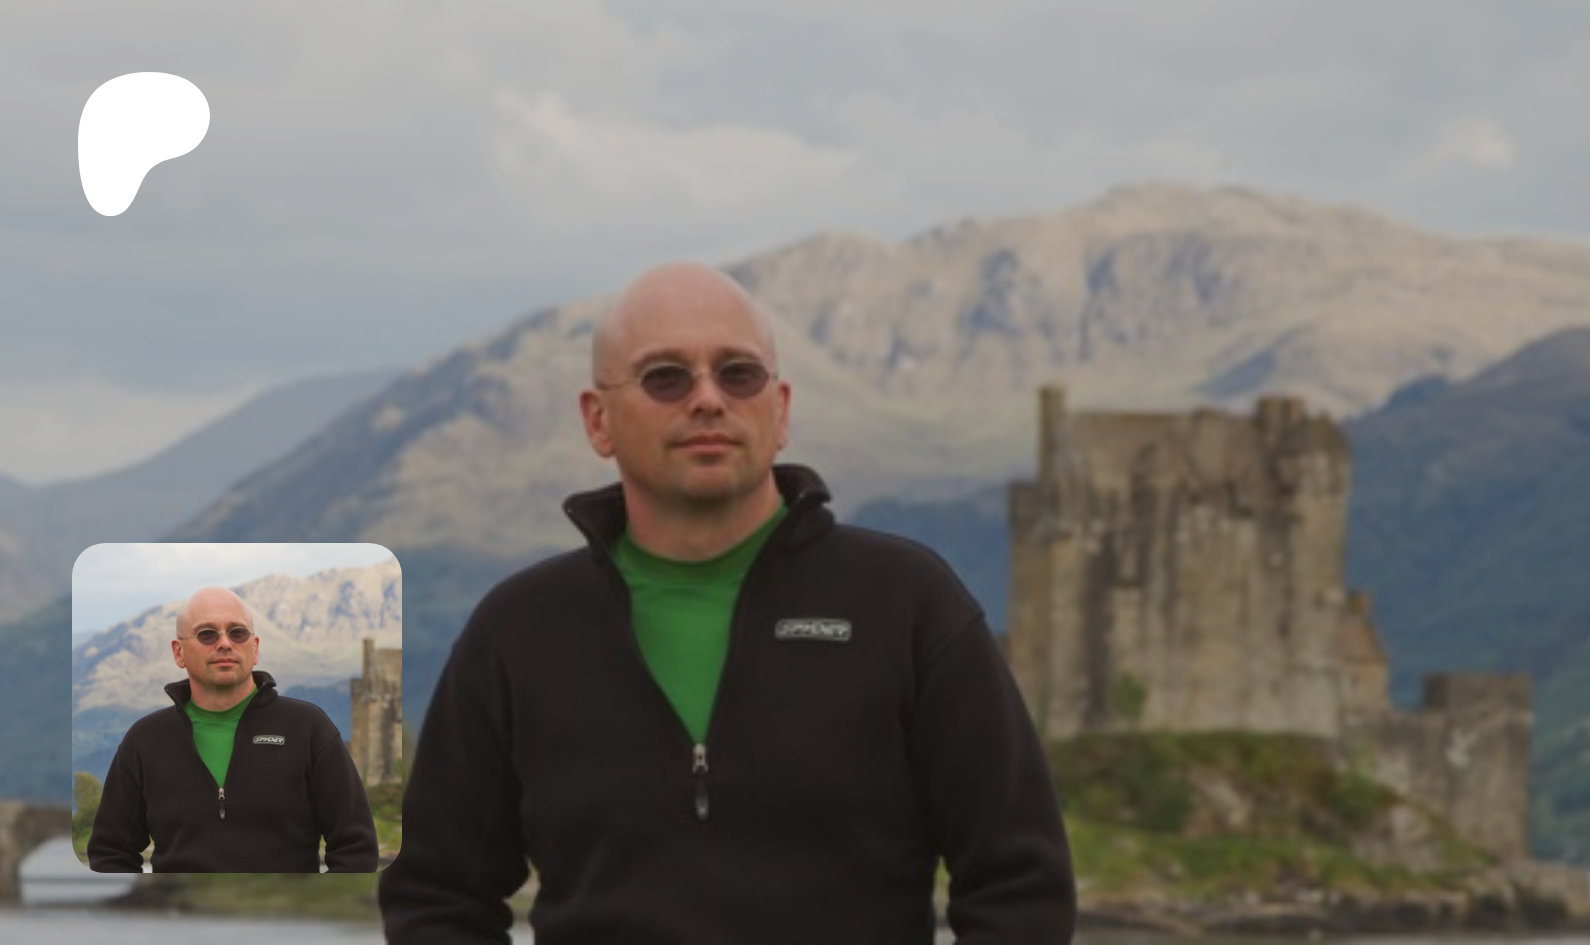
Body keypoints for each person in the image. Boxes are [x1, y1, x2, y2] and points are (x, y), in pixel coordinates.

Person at [379, 262, 1076, 942]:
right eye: (665, 377)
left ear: (781, 409)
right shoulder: (520, 633)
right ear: (598, 420)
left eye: (739, 373)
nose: (708, 398)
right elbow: (438, 896)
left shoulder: (907, 604)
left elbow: (1020, 885)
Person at [87, 586, 379, 873]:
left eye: (238, 632)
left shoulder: (308, 728)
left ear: (255, 648)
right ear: (179, 652)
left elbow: (356, 848)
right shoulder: (146, 740)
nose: (225, 643)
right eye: (207, 634)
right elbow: (110, 853)